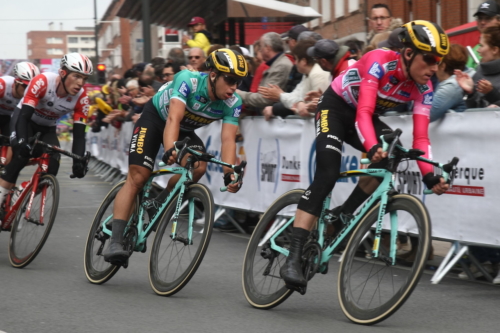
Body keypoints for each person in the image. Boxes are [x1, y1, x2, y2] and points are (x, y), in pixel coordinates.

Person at [279, 20, 451, 289]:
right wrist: (372, 147)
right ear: (408, 53)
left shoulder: (424, 88)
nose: (434, 68)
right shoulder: (378, 62)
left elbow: (421, 138)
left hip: (364, 116)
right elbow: (363, 112)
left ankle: (342, 215)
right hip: (335, 109)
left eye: (438, 61)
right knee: (328, 174)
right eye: (428, 59)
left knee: (393, 154)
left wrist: (430, 176)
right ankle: (293, 254)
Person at [103, 49, 247, 264]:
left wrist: (229, 172)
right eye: (230, 80)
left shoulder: (233, 103)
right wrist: (171, 149)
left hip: (185, 131)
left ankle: (158, 204)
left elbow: (228, 140)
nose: (234, 87)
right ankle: (115, 241)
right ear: (214, 74)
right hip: (156, 120)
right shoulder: (187, 80)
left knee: (198, 167)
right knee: (138, 178)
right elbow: (173, 119)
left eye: (239, 82)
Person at [0, 53, 92, 213]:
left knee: (52, 166)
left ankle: (21, 195)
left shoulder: (82, 98)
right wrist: (21, 142)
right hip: (25, 120)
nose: (80, 83)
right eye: (77, 76)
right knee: (20, 156)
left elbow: (79, 134)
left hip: (47, 128)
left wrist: (78, 160)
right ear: (63, 73)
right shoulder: (43, 81)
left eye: (84, 78)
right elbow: (24, 116)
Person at [259, 39, 331, 119]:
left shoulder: (318, 74)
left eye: (296, 59)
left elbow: (321, 108)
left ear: (303, 61)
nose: (295, 63)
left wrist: (280, 95)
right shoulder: (307, 74)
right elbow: (296, 96)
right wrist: (283, 96)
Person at [237, 32, 293, 111]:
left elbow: (265, 99)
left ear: (267, 48)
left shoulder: (280, 66)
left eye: (261, 47)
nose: (260, 50)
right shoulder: (276, 64)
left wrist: (239, 94)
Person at [0, 62, 40, 166]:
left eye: (31, 86)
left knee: (10, 156)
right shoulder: (3, 85)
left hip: (10, 119)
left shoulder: (34, 94)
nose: (28, 90)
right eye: (25, 86)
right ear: (16, 82)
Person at [456, 25, 500, 108]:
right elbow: (471, 111)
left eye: (481, 46)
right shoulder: (480, 70)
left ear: (495, 50)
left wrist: (491, 93)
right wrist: (470, 92)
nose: (477, 50)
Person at [430, 44, 470, 122]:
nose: (433, 67)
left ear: (442, 66)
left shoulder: (451, 87)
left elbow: (426, 115)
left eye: (436, 63)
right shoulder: (466, 77)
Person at [467, 0, 500, 69]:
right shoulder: (475, 49)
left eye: (488, 19)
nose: (482, 22)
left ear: (498, 20)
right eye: (480, 18)